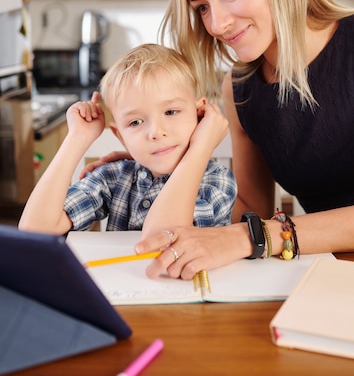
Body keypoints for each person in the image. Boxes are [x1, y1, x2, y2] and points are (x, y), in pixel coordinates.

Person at [82, 0, 354, 281]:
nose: (218, 23)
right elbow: (248, 207)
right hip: (330, 264)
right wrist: (161, 161)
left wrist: (246, 237)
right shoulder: (239, 88)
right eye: (202, 7)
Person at [18, 43, 237, 238]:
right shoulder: (115, 178)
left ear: (200, 115)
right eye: (135, 122)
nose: (155, 132)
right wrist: (77, 139)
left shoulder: (217, 182)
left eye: (171, 111)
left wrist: (202, 146)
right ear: (120, 137)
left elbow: (160, 238)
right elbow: (34, 229)